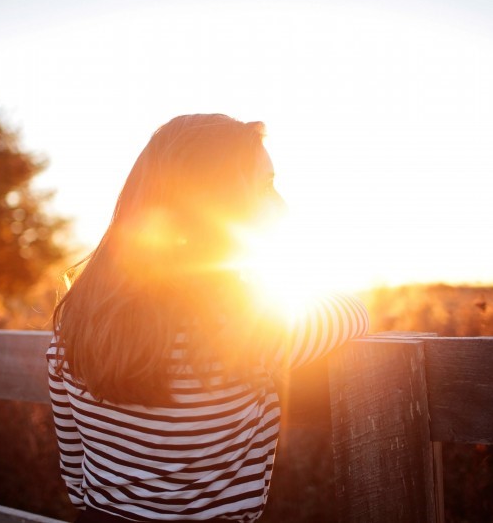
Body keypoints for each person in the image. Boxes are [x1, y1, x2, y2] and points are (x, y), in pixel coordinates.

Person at [47, 114, 369, 522]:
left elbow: (74, 468)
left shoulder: (75, 319)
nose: (283, 204)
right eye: (267, 185)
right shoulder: (245, 323)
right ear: (218, 201)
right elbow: (354, 313)